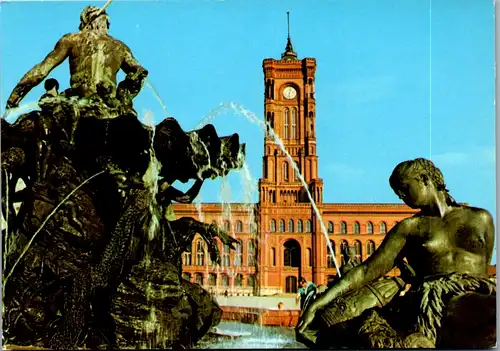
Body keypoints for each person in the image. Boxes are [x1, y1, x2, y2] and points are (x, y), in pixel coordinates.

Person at [296, 158, 495, 348]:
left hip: (477, 292)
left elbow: (484, 269)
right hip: (436, 302)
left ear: (425, 179)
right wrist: (316, 304)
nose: (400, 196)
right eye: (397, 192)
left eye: (404, 188)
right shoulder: (409, 228)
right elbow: (365, 271)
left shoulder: (481, 218)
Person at [5, 6, 148, 111]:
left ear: (85, 22)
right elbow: (140, 72)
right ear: (105, 23)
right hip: (109, 106)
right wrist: (125, 93)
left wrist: (15, 96)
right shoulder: (120, 47)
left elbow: (41, 71)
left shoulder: (73, 40)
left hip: (80, 103)